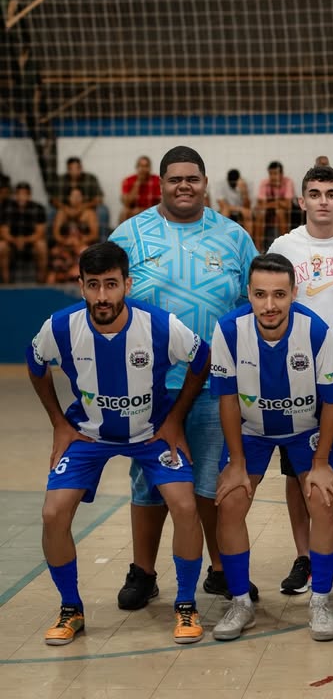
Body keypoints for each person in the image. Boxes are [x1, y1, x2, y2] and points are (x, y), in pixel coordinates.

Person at [27, 241, 210, 645]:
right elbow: (35, 361)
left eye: (111, 284)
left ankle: (185, 604)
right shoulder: (60, 326)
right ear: (80, 285)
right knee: (53, 513)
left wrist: (175, 419)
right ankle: (71, 609)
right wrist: (58, 423)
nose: (102, 296)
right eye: (93, 285)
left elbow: (202, 359)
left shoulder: (159, 325)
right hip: (88, 434)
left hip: (151, 432)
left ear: (127, 284)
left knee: (184, 505)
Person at [108, 146, 259, 611]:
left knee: (211, 483)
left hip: (215, 386)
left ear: (205, 182)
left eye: (192, 178)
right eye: (175, 179)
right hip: (149, 389)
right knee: (147, 483)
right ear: (161, 184)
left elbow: (255, 304)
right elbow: (108, 305)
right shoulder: (129, 235)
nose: (184, 186)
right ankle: (143, 573)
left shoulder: (234, 237)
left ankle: (221, 571)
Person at [209, 253, 333, 642]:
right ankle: (240, 602)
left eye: (279, 295)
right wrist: (236, 462)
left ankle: (320, 600)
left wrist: (321, 462)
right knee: (230, 502)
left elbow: (332, 400)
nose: (270, 305)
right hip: (252, 431)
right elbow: (227, 399)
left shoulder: (316, 331)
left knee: (323, 500)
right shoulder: (228, 330)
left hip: (306, 430)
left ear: (294, 293)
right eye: (261, 295)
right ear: (248, 294)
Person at [268, 164, 333, 595]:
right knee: (297, 474)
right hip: (296, 377)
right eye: (315, 193)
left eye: (330, 194)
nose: (323, 201)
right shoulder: (284, 246)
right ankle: (304, 557)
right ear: (302, 201)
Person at [48, 188, 100, 284]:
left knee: (84, 254)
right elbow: (56, 234)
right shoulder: (61, 213)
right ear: (69, 198)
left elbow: (94, 234)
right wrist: (65, 242)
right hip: (64, 246)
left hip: (83, 245)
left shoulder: (89, 213)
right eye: (73, 196)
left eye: (78, 196)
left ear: (82, 198)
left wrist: (80, 241)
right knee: (55, 258)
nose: (75, 198)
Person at [0, 181, 48, 283]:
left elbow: (40, 232)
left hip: (31, 243)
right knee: (2, 246)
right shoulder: (7, 208)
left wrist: (24, 240)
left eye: (24, 194)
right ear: (15, 195)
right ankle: (6, 283)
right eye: (19, 194)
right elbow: (3, 232)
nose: (22, 197)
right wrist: (15, 240)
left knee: (42, 246)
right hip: (12, 243)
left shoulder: (38, 208)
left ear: (29, 195)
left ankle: (41, 282)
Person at [49, 156, 107, 235]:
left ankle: (103, 239)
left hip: (86, 209)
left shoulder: (90, 179)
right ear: (68, 169)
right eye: (71, 169)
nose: (75, 171)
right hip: (65, 210)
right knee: (50, 211)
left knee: (102, 210)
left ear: (81, 168)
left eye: (77, 168)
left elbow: (99, 198)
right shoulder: (61, 180)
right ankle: (51, 239)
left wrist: (83, 207)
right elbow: (53, 199)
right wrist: (65, 208)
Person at [254, 161, 297, 250]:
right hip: (269, 212)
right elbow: (260, 205)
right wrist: (278, 203)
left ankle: (285, 247)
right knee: (260, 214)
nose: (273, 177)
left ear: (281, 174)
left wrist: (270, 204)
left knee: (280, 212)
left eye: (275, 174)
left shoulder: (288, 182)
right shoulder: (264, 183)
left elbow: (288, 205)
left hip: (286, 213)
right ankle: (258, 249)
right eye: (271, 174)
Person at [119, 155, 162, 223]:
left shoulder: (157, 181)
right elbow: (127, 203)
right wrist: (138, 182)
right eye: (141, 166)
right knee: (124, 212)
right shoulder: (128, 181)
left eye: (146, 166)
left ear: (150, 168)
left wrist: (144, 210)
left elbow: (162, 201)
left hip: (153, 210)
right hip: (134, 211)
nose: (143, 169)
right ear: (137, 167)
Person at [215, 169, 252, 234]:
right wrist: (240, 209)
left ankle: (248, 239)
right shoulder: (221, 184)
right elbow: (223, 205)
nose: (232, 183)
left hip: (240, 213)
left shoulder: (244, 184)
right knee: (226, 210)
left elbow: (247, 206)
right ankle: (222, 236)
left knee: (248, 213)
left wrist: (244, 192)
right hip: (226, 211)